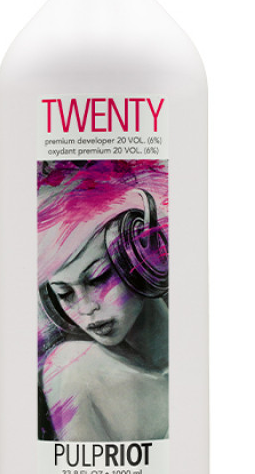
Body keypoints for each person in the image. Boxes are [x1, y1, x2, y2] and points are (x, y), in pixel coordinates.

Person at [37, 161, 169, 442]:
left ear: (144, 255)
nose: (86, 308)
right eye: (65, 294)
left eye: (98, 279)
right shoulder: (73, 369)